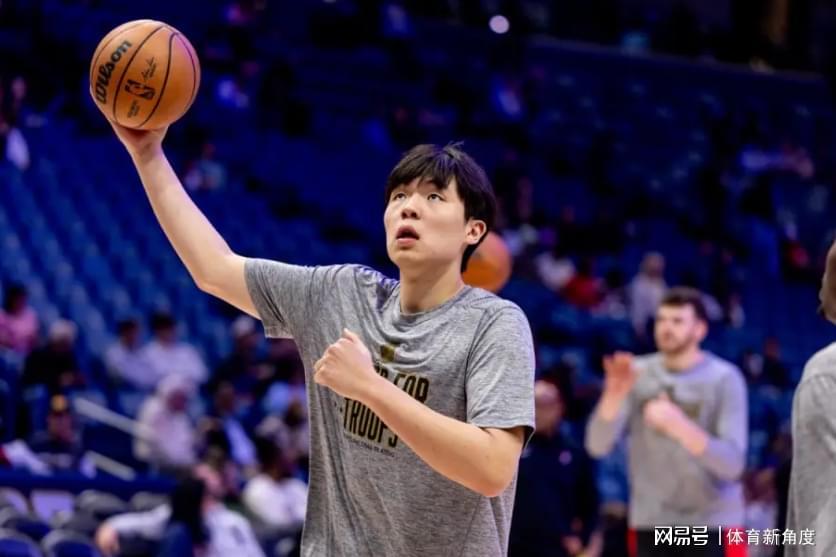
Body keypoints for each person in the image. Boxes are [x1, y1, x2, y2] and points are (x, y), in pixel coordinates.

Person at [108, 120, 535, 557]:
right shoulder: (341, 294)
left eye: (433, 197)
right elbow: (214, 269)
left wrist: (370, 388)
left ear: (473, 231)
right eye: (399, 196)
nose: (409, 208)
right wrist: (148, 155)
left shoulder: (495, 324)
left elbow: (492, 469)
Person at [585, 287, 748, 556]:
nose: (666, 328)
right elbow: (597, 446)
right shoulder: (635, 373)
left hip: (713, 524)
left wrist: (680, 427)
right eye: (661, 320)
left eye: (677, 321)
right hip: (652, 523)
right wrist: (612, 398)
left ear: (700, 330)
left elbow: (732, 465)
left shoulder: (725, 378)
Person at [509, 380, 598, 557]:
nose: (537, 411)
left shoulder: (574, 451)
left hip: (558, 547)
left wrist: (583, 539)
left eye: (544, 404)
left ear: (559, 407)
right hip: (514, 545)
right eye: (533, 403)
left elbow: (590, 502)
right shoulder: (513, 447)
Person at [95, 464, 264, 557]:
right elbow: (138, 522)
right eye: (203, 487)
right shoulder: (178, 517)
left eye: (211, 488)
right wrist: (109, 527)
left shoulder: (235, 520)